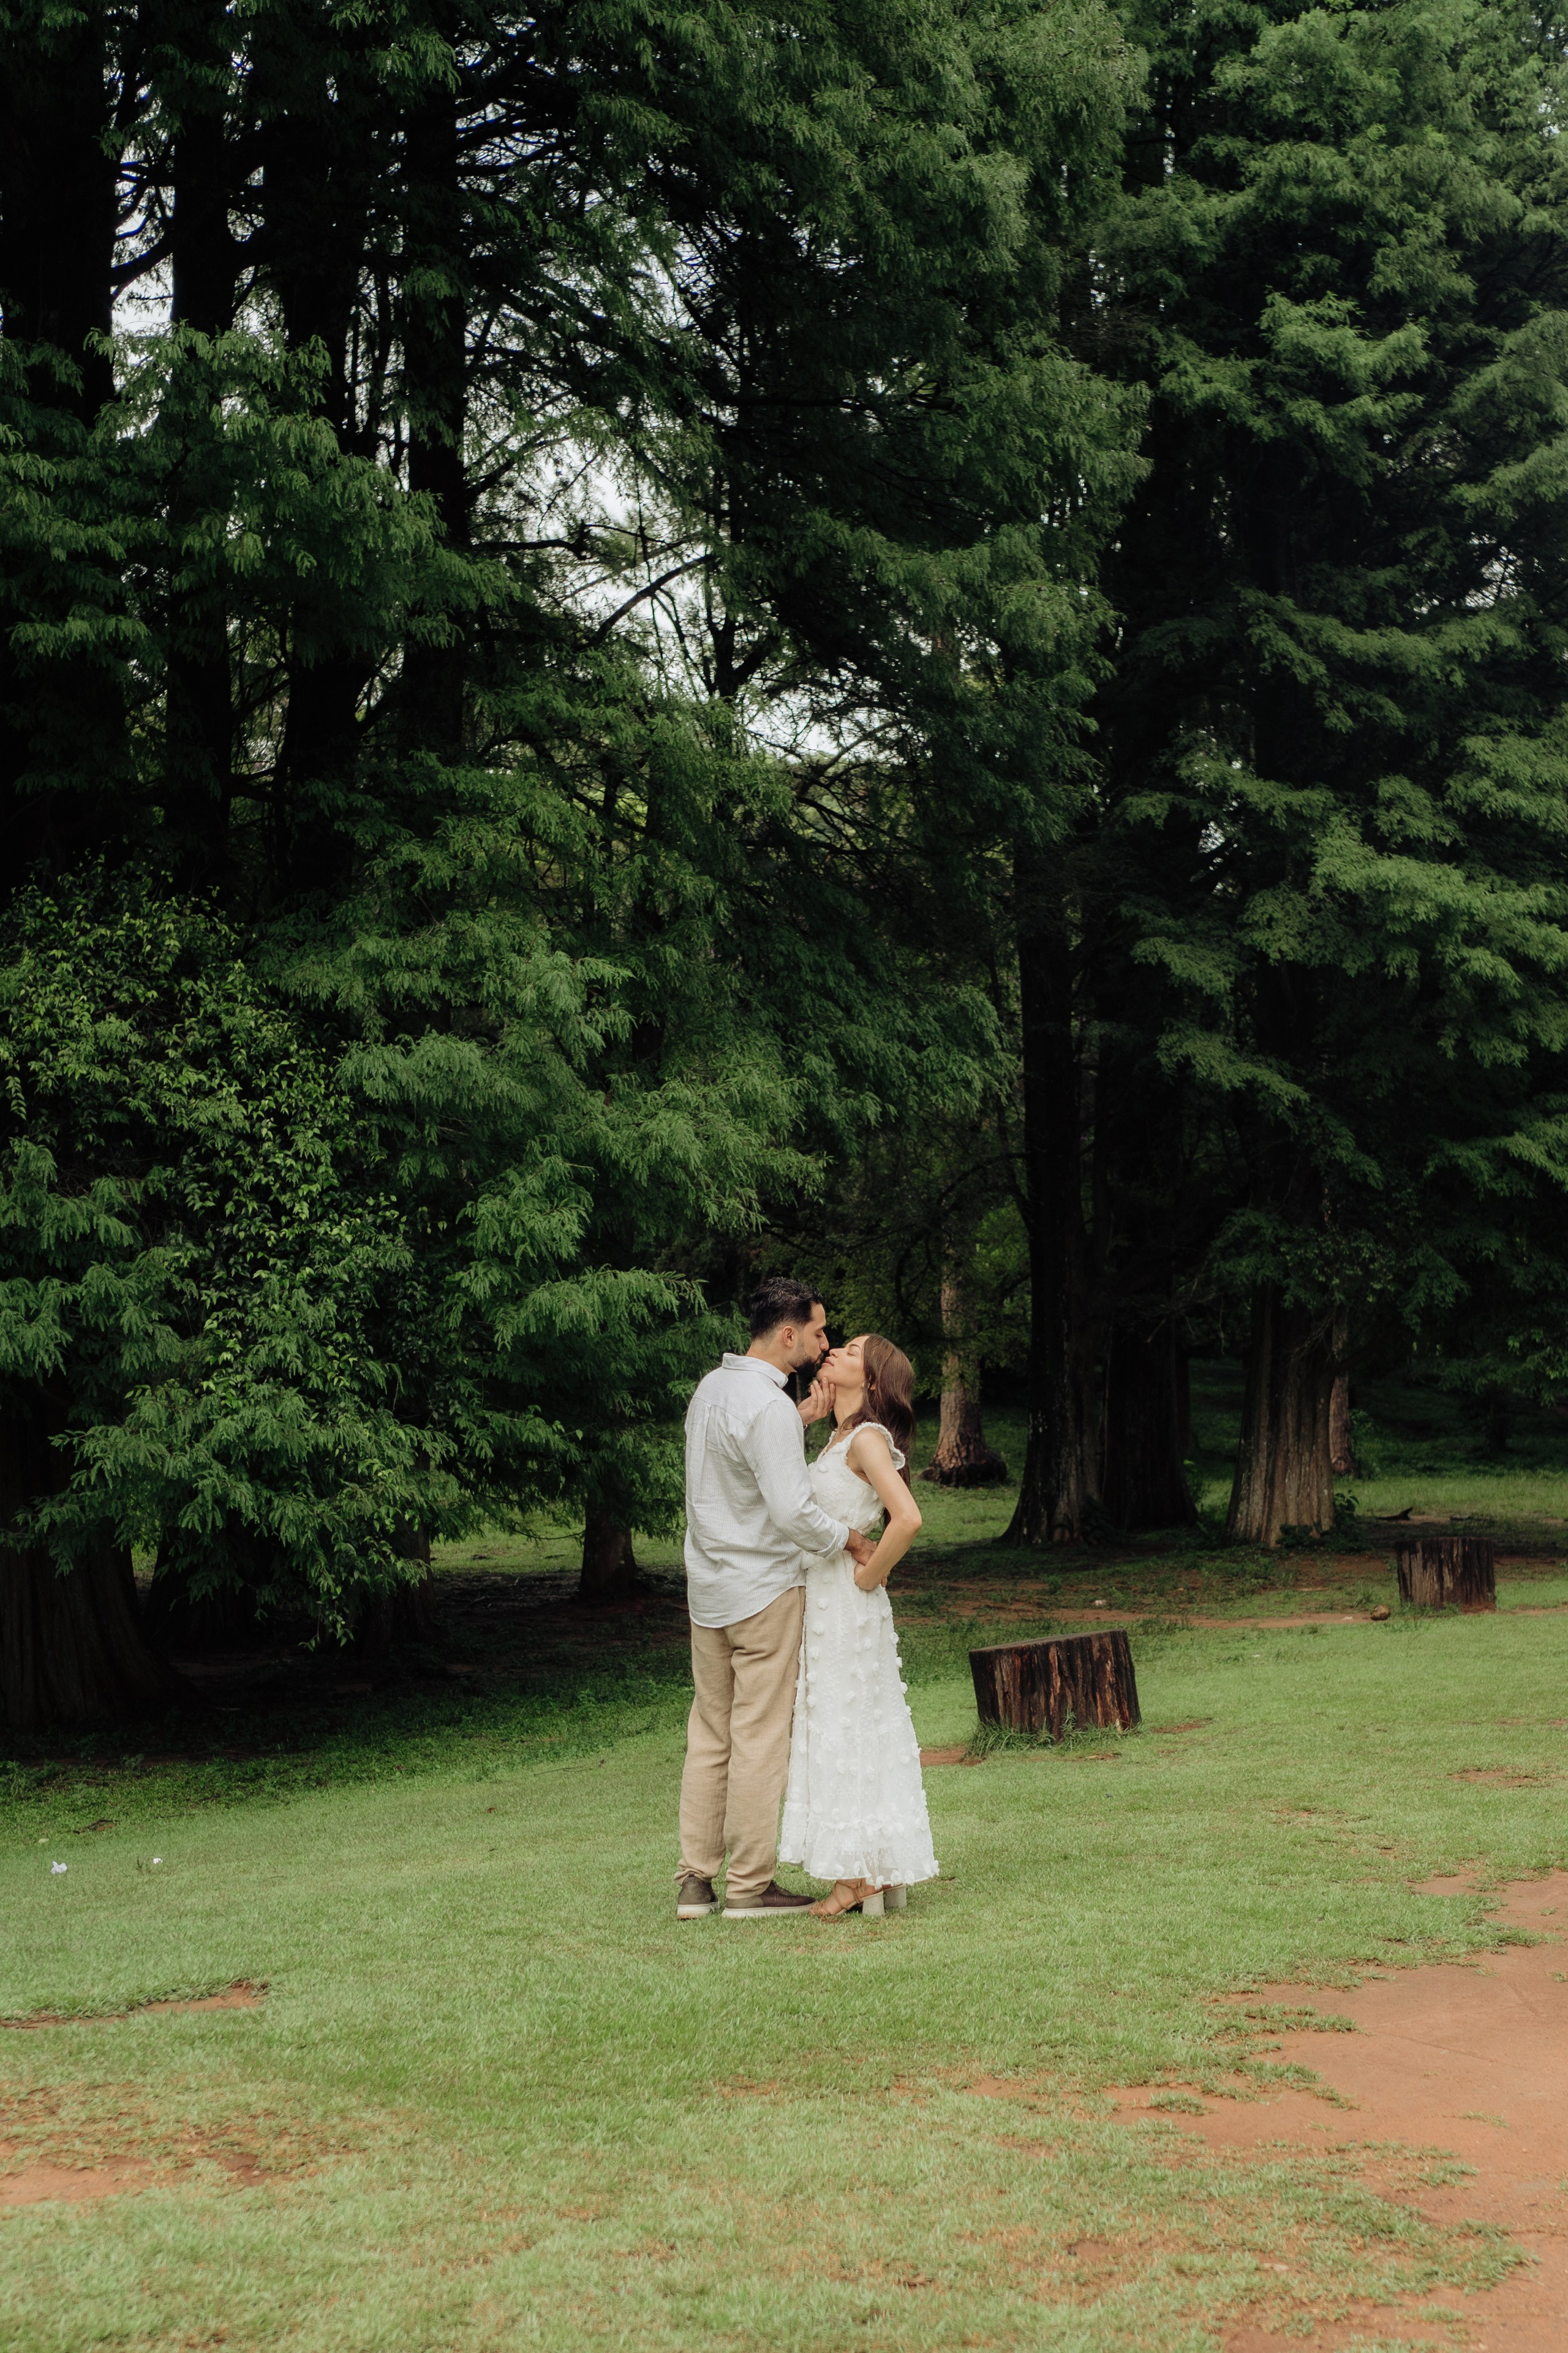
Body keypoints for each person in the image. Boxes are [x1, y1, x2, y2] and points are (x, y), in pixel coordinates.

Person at [676, 1277, 878, 1920]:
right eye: (818, 1331)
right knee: (759, 1735)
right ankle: (749, 1885)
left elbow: (737, 1464)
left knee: (709, 1733)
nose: (824, 1344)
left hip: (709, 1590)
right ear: (788, 1333)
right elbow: (792, 1512)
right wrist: (852, 1539)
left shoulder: (713, 1389)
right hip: (763, 1591)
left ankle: (694, 1881)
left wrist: (802, 1419)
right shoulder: (766, 1406)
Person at [778, 1332, 938, 1919]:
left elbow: (908, 1517)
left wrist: (871, 1575)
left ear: (870, 1380)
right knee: (846, 1725)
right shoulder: (838, 1438)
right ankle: (872, 1865)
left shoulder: (867, 1439)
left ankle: (856, 1878)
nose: (835, 1351)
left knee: (844, 1725)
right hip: (824, 1601)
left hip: (845, 1602)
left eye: (850, 1351)